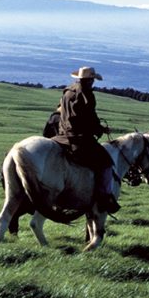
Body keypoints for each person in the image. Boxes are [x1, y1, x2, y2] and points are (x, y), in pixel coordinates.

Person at [52, 66, 119, 213]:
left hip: (62, 135)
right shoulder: (87, 95)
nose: (93, 82)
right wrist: (101, 129)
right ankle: (105, 197)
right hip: (79, 139)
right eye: (92, 80)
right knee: (106, 163)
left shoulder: (68, 91)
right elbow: (89, 119)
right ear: (88, 80)